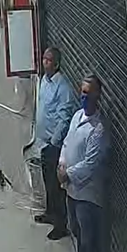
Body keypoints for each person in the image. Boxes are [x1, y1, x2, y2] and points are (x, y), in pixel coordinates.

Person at [58, 75, 109, 252]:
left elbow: (90, 164)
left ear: (98, 96)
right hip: (72, 190)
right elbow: (67, 143)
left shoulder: (99, 130)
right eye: (82, 91)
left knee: (88, 242)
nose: (83, 96)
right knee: (77, 235)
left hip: (87, 196)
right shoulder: (78, 116)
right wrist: (61, 164)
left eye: (88, 92)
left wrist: (67, 173)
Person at [34, 46, 79, 240]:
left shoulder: (63, 88)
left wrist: (54, 141)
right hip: (42, 142)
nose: (45, 63)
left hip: (54, 145)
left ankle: (61, 224)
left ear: (57, 63)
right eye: (44, 59)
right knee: (47, 181)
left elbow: (64, 117)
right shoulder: (44, 81)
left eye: (49, 60)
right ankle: (50, 213)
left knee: (56, 186)